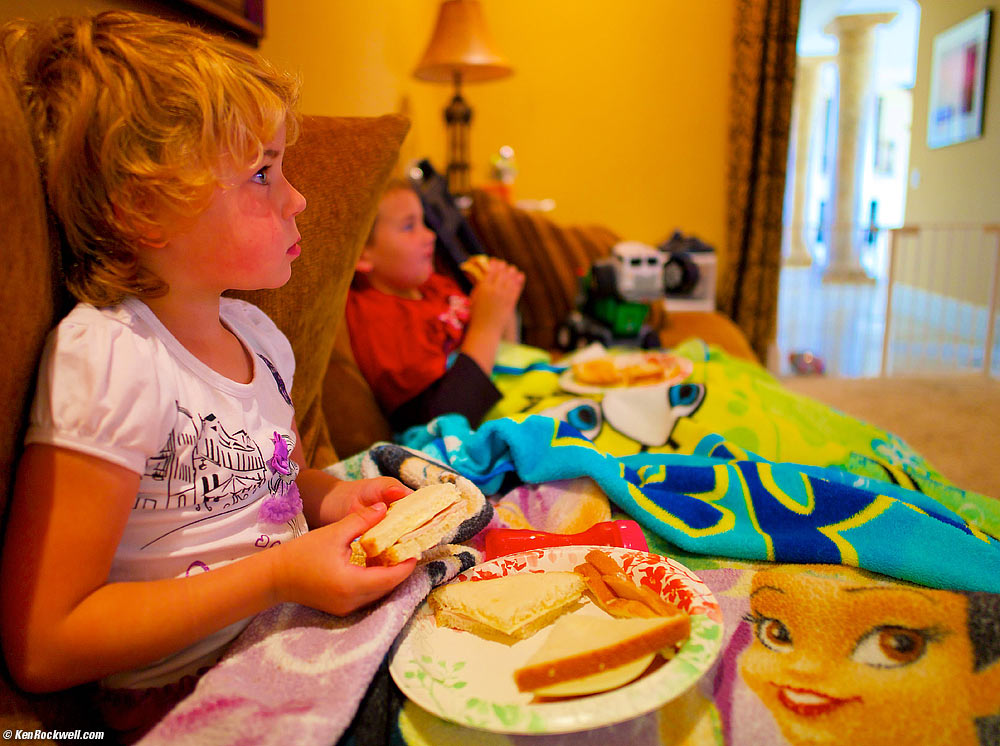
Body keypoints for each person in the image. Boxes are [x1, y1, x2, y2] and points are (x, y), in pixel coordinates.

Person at [0, 11, 416, 740]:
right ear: (145, 207)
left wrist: (335, 495)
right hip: (185, 690)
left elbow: (272, 481)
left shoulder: (259, 335)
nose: (298, 199)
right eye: (262, 172)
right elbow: (44, 643)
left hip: (293, 629)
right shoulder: (113, 356)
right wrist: (281, 577)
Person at [346, 179, 525, 431]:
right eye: (409, 227)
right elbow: (444, 418)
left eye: (423, 222)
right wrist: (487, 326)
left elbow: (507, 351)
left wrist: (503, 305)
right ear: (362, 252)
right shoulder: (377, 317)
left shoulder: (434, 286)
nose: (430, 235)